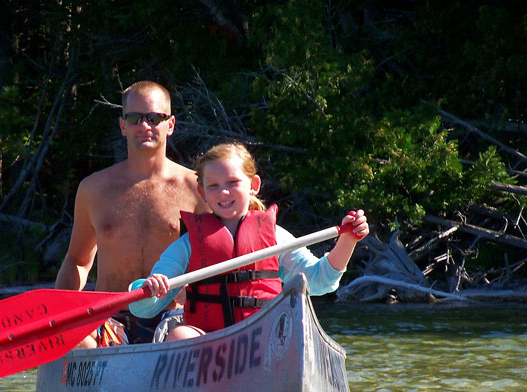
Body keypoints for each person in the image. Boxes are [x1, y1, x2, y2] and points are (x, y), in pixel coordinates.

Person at [129, 141, 369, 341]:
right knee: (179, 335)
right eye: (214, 186)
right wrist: (152, 288)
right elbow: (142, 308)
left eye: (232, 182)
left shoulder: (276, 237)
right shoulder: (188, 244)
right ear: (202, 193)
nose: (223, 192)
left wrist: (347, 241)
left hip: (262, 336)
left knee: (293, 331)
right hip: (207, 338)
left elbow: (320, 281)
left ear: (253, 186)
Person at [55, 81, 206, 346]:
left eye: (154, 118)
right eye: (135, 118)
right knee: (79, 340)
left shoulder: (197, 188)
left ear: (170, 125)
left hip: (172, 319)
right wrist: (58, 315)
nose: (144, 126)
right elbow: (77, 262)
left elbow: (216, 261)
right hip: (108, 318)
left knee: (182, 338)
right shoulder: (93, 189)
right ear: (123, 126)